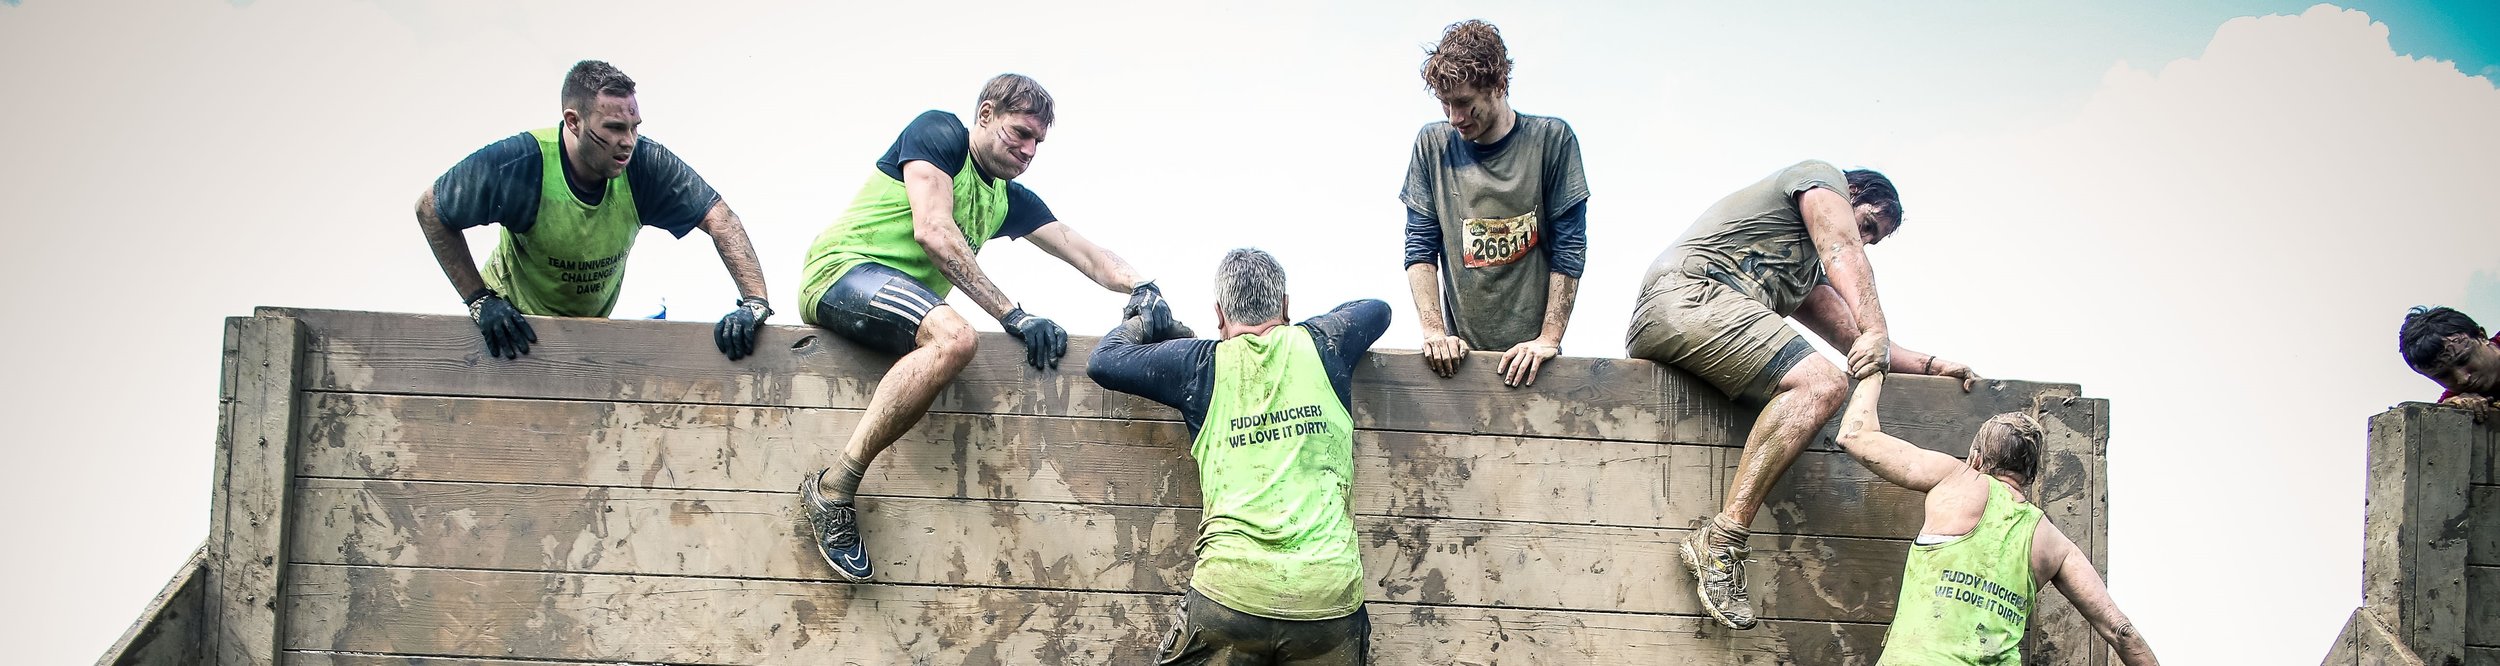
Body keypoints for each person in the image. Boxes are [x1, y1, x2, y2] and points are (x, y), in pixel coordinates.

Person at [795, 74, 1172, 582]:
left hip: (898, 308)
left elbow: (1082, 250)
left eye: (1039, 141)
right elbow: (933, 230)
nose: (1029, 150)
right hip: (841, 273)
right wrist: (1013, 314)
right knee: (957, 337)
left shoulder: (1007, 198)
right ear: (987, 115)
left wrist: (1141, 285)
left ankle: (837, 484)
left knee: (950, 342)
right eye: (1020, 133)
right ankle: (833, 488)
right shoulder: (939, 135)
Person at [1631, 161, 1981, 629]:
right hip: (1687, 296)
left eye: (1874, 239)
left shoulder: (1800, 275)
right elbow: (1842, 249)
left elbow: (1853, 337)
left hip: (1696, 317)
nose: (1866, 243)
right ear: (1850, 192)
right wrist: (1876, 325)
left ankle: (1722, 540)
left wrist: (1932, 365)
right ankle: (1722, 542)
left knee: (1822, 381)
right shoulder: (1819, 178)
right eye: (1867, 226)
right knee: (1822, 383)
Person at [1087, 248, 1388, 665]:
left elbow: (1104, 361)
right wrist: (1295, 329)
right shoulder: (1324, 344)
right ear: (1284, 305)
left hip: (1229, 596)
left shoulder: (1200, 364)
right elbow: (1377, 309)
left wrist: (1148, 322)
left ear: (1219, 314)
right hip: (1327, 601)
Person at [415, 60, 774, 361]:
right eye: (615, 128)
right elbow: (430, 209)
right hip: (510, 330)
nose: (628, 141)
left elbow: (721, 219)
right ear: (574, 121)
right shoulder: (523, 164)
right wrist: (480, 301)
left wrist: (754, 303)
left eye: (634, 128)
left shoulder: (644, 166)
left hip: (585, 334)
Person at [1835, 373, 2160, 665]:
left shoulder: (1957, 479)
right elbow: (2121, 631)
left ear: (1975, 458)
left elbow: (1855, 437)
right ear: (2031, 475)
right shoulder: (2056, 545)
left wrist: (1874, 373)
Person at [1401, 19, 1589, 388]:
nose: (1455, 117)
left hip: (1534, 366)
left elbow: (1570, 247)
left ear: (1498, 86)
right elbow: (1420, 246)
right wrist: (1434, 333)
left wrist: (1548, 339)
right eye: (1446, 104)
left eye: (1465, 103)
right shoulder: (1433, 147)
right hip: (1461, 367)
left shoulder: (1551, 141)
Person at [2397, 306, 2500, 412]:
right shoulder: (2456, 400)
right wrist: (2451, 411)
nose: (2464, 379)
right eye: (2444, 375)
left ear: (2482, 336)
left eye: (2464, 360)